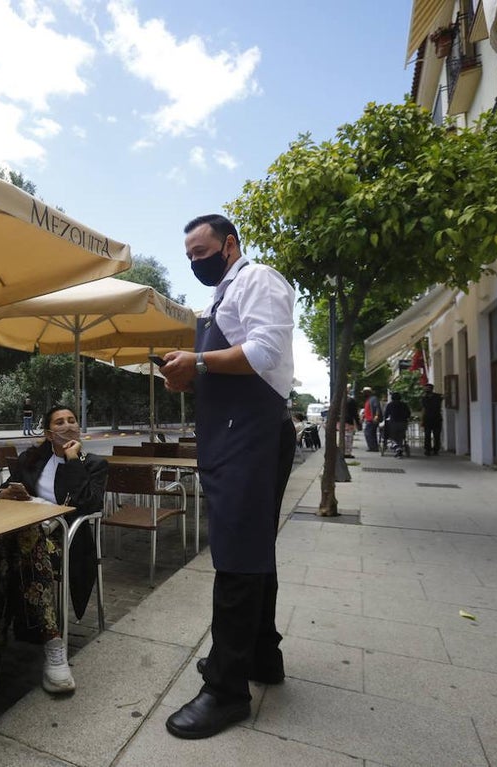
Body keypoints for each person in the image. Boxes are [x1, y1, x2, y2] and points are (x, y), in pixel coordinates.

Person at [158, 214, 297, 740]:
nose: (196, 261)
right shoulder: (221, 298)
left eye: (202, 250)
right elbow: (225, 365)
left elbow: (264, 353)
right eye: (189, 255)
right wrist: (189, 376)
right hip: (233, 435)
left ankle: (225, 689)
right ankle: (261, 656)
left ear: (230, 244)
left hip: (253, 434)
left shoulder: (258, 278)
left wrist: (198, 360)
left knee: (238, 555)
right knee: (253, 547)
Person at [0, 404, 108, 698]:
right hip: (9, 537)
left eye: (72, 421)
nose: (68, 426)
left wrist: (73, 460)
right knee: (24, 539)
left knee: (15, 559)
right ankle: (53, 644)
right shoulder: (30, 460)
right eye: (60, 422)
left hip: (61, 541)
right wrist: (5, 494)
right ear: (47, 432)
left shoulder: (93, 463)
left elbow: (89, 505)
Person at [383, 390, 412, 458]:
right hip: (403, 423)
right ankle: (399, 448)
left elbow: (386, 415)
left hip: (393, 423)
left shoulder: (390, 405)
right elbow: (408, 413)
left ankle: (397, 448)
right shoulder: (404, 405)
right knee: (401, 436)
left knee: (393, 436)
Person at [421, 383, 444, 455]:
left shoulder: (438, 396)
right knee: (427, 435)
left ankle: (436, 449)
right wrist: (422, 419)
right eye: (425, 388)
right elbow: (423, 409)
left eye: (427, 388)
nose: (426, 389)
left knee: (436, 435)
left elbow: (445, 396)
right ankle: (427, 449)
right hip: (427, 418)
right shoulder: (424, 398)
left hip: (436, 418)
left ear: (431, 389)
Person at [361, 387, 382, 452]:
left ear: (368, 393)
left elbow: (377, 408)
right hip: (369, 419)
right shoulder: (369, 400)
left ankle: (373, 447)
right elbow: (368, 410)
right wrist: (364, 416)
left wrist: (376, 416)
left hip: (372, 420)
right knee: (371, 433)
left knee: (368, 433)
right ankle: (373, 447)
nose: (363, 394)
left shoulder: (373, 399)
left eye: (364, 393)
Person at [342, 388, 360, 458]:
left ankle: (342, 451)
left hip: (340, 422)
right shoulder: (351, 400)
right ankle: (347, 452)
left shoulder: (338, 400)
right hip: (349, 421)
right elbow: (355, 413)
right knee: (348, 437)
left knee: (343, 437)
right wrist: (358, 423)